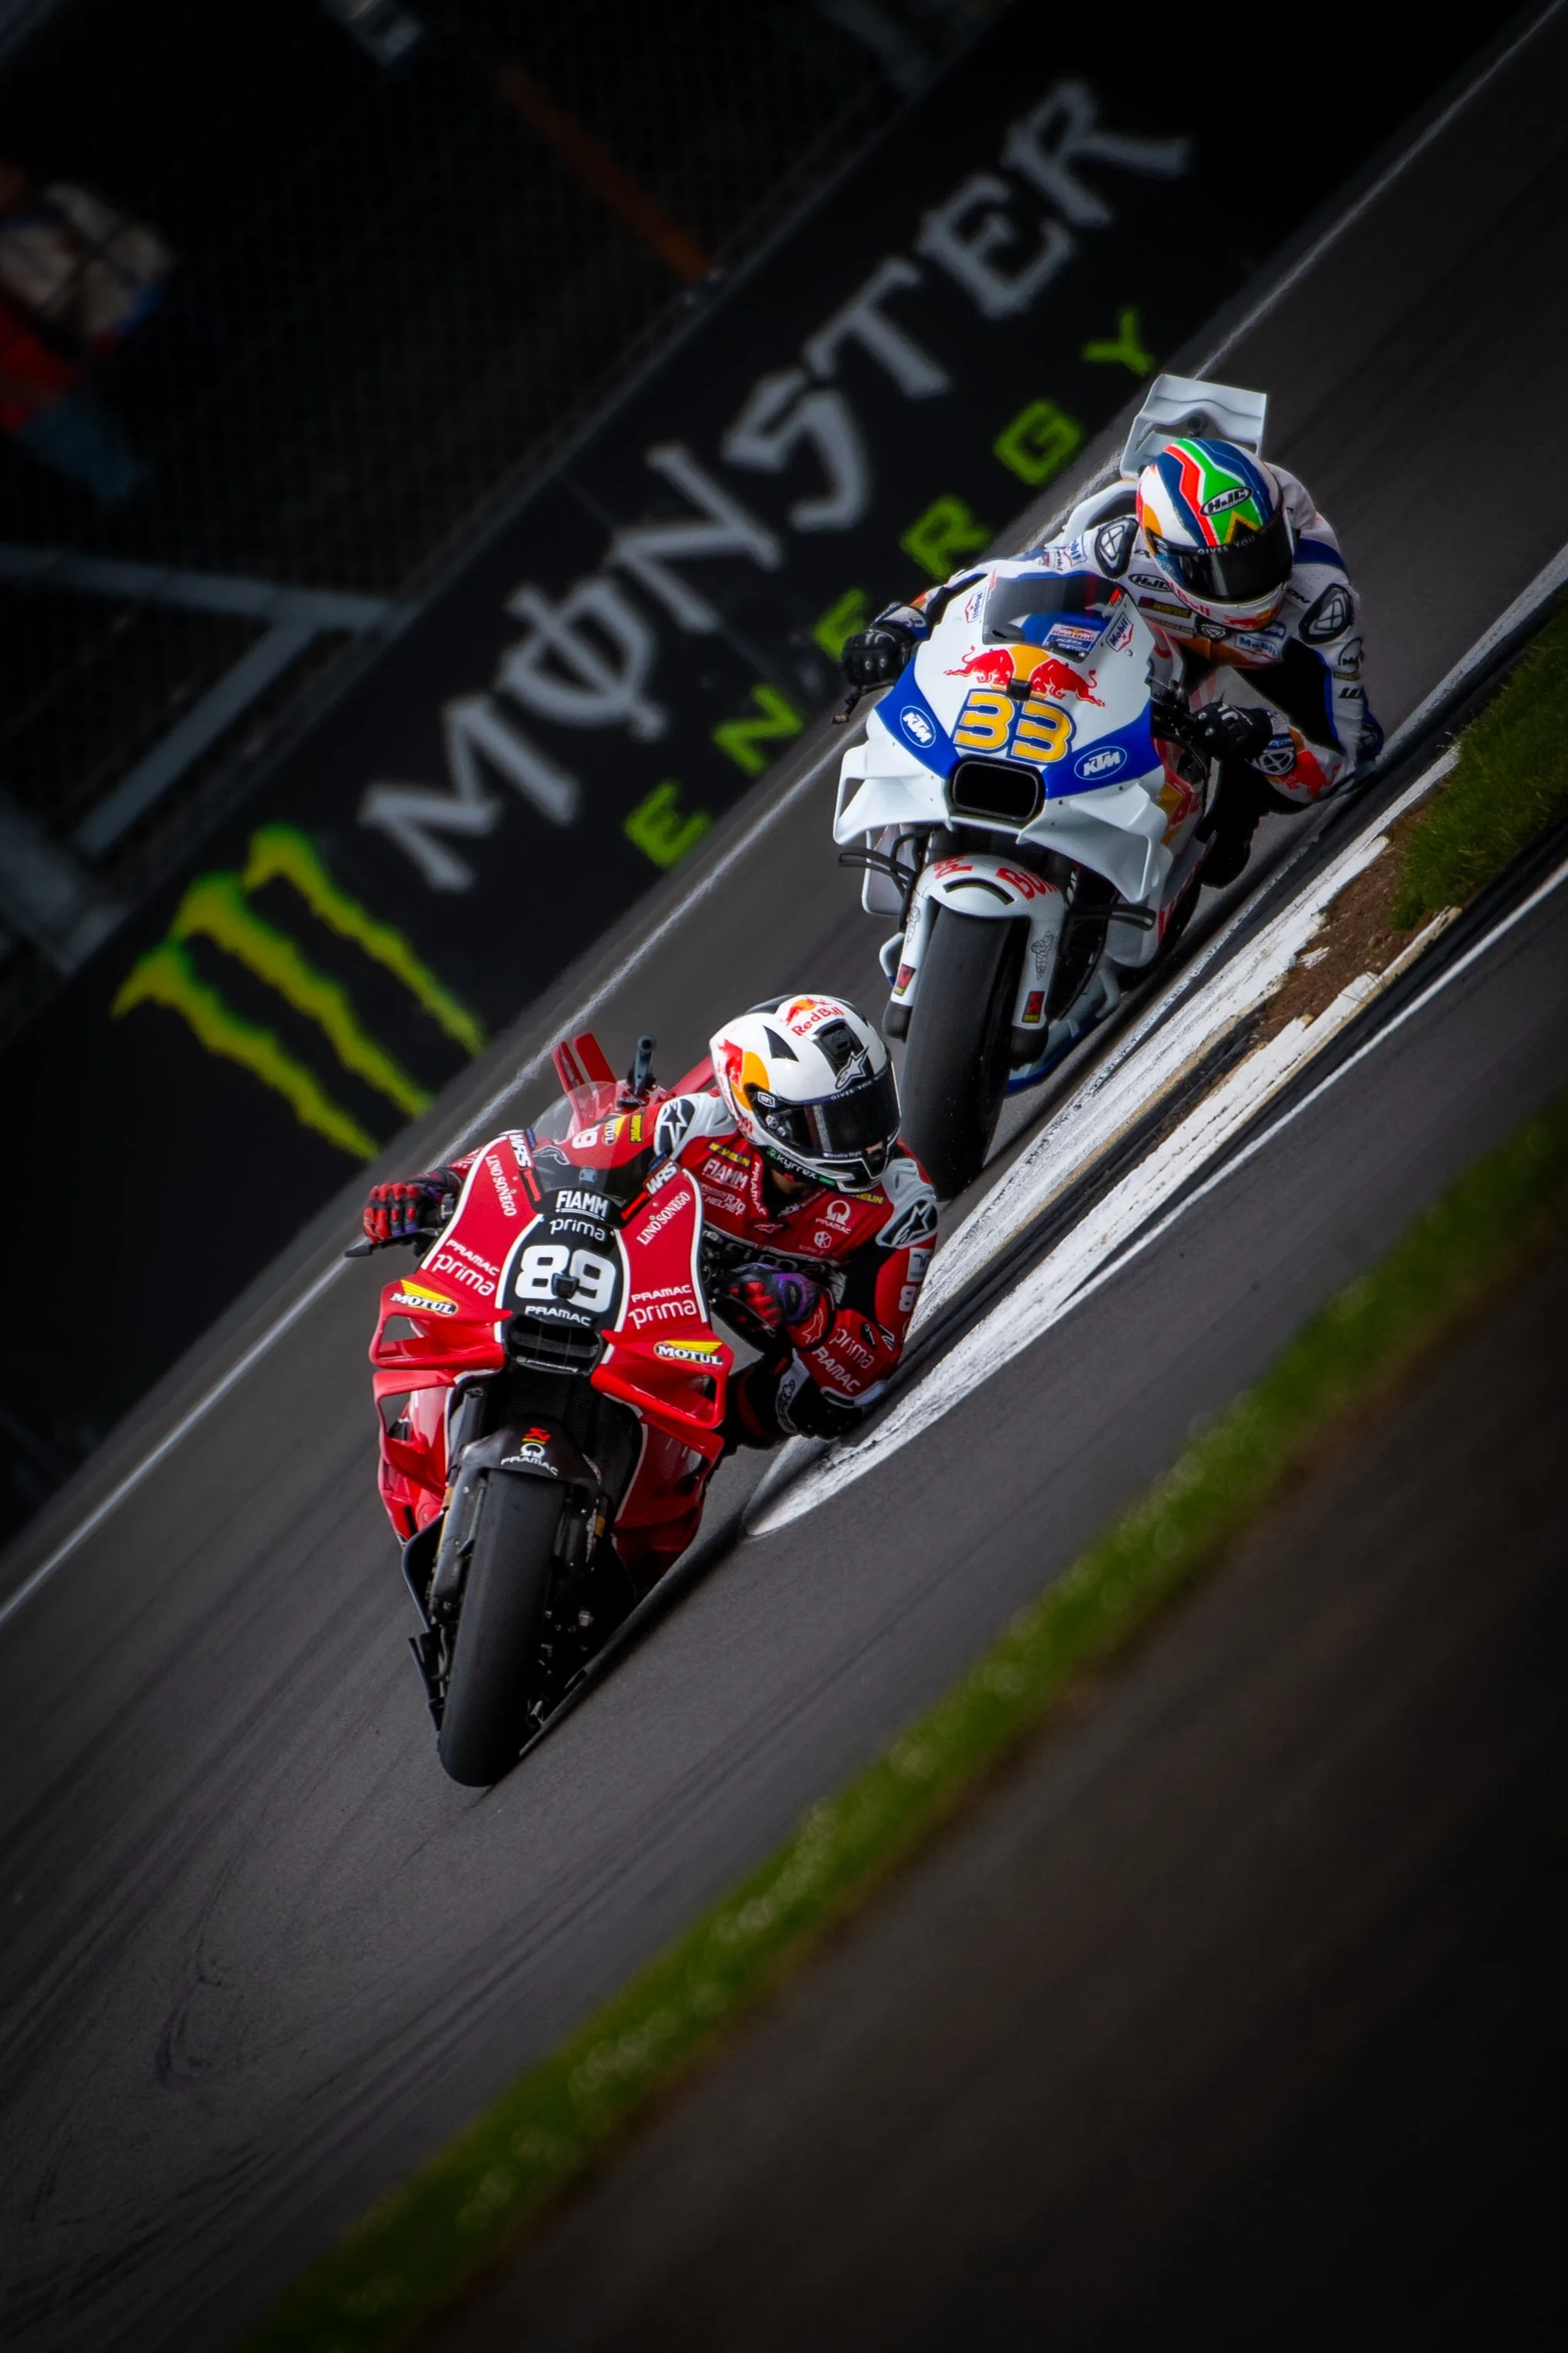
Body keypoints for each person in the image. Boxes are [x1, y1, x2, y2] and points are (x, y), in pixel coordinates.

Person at [362, 994, 940, 1456]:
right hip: (642, 1274)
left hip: (775, 1312)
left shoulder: (901, 1200)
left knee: (827, 1404)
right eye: (834, 1122)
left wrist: (808, 1315)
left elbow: (869, 1364)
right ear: (767, 1118)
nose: (864, 1137)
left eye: (869, 1106)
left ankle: (705, 1442)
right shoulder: (691, 1124)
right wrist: (441, 1186)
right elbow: (548, 1160)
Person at [842, 436, 1378, 888]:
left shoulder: (1319, 601)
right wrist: (897, 625)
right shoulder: (1117, 548)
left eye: (1257, 554)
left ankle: (1236, 803)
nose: (1246, 580)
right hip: (1147, 637)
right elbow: (989, 579)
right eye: (1218, 569)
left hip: (1268, 653)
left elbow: (1350, 753)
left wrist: (1262, 739)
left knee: (1274, 779)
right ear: (1164, 555)